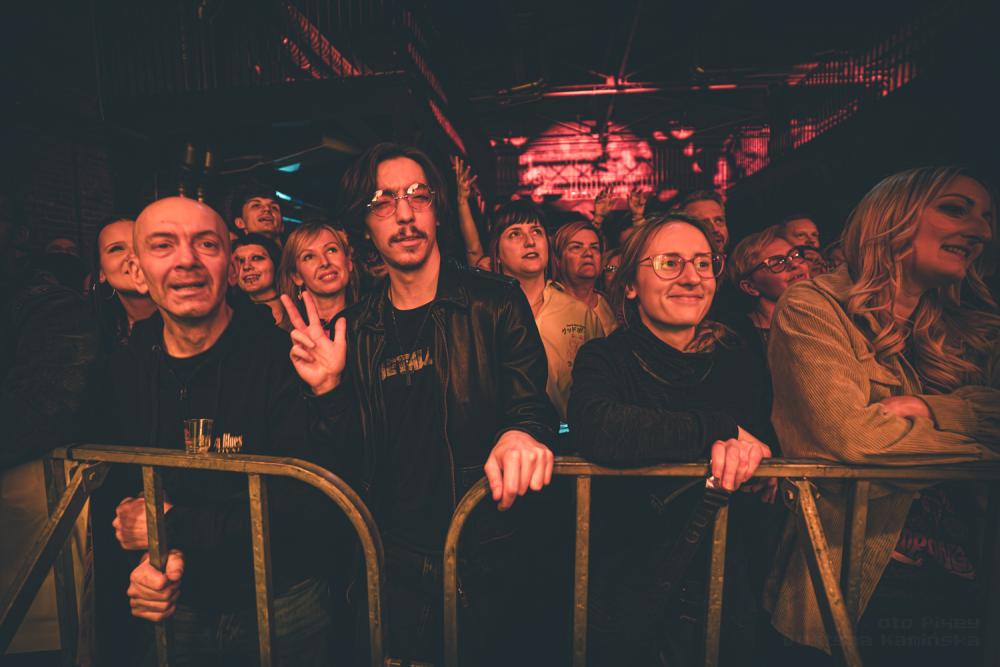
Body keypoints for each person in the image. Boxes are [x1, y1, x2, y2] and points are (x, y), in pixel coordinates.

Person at [283, 142, 558, 665]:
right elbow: (344, 461)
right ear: (365, 227)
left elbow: (532, 406)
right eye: (383, 201)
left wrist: (521, 433)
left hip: (488, 554)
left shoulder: (495, 302)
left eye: (417, 196)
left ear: (436, 211)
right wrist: (328, 390)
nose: (404, 214)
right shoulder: (356, 329)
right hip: (391, 561)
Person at [88, 196, 342, 666]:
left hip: (286, 603)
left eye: (206, 244)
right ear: (138, 272)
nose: (187, 259)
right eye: (163, 245)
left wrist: (169, 527)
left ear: (231, 269)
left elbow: (305, 509)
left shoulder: (285, 359)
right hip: (179, 604)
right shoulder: (121, 372)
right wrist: (146, 565)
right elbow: (122, 505)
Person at [764, 167, 1000, 664]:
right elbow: (853, 438)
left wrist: (939, 410)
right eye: (955, 209)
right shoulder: (815, 307)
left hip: (974, 573)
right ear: (893, 219)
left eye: (986, 217)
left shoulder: (975, 327)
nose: (981, 231)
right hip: (866, 577)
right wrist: (984, 449)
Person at [568, 211, 772, 665]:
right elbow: (600, 427)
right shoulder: (605, 358)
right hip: (628, 585)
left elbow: (764, 443)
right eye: (669, 263)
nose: (692, 277)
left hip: (725, 587)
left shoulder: (735, 356)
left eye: (703, 263)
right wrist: (717, 428)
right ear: (630, 284)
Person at [488, 200, 602, 421]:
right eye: (515, 234)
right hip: (503, 436)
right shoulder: (483, 313)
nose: (530, 241)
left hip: (569, 436)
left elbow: (601, 390)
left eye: (536, 232)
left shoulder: (580, 314)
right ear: (497, 253)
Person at [727, 224, 811, 355]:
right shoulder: (737, 340)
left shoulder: (825, 317)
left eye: (794, 255)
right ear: (750, 287)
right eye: (776, 263)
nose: (794, 264)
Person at [89, 217, 157, 352]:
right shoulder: (95, 338)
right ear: (101, 273)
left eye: (140, 244)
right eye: (117, 249)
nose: (134, 255)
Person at [277, 221, 355, 336]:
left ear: (348, 262)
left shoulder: (377, 324)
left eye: (331, 250)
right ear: (296, 276)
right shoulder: (282, 337)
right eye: (309, 257)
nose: (324, 262)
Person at [551, 220, 618, 335]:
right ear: (558, 259)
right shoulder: (546, 303)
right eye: (576, 247)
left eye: (594, 248)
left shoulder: (610, 305)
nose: (588, 253)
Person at [232, 233, 288, 328]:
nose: (246, 266)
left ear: (275, 263)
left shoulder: (302, 306)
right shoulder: (231, 319)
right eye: (240, 261)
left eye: (256, 258)